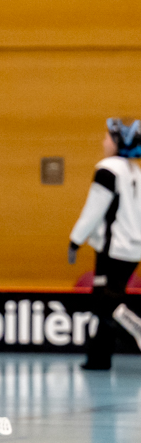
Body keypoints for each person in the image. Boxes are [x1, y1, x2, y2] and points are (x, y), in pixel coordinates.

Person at [70, 118, 141, 370]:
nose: (103, 141)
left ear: (118, 142)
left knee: (105, 303)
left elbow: (94, 210)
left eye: (107, 137)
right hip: (132, 249)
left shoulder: (107, 169)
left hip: (112, 249)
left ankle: (137, 330)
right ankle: (99, 358)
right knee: (107, 299)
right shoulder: (135, 171)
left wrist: (76, 240)